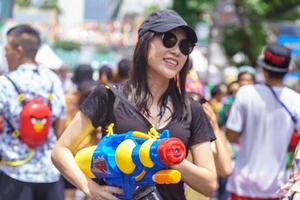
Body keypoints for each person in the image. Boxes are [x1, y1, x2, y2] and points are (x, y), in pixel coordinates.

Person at [51, 9, 217, 200]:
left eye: (185, 46)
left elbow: (209, 185)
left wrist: (167, 154)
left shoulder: (192, 108)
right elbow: (60, 151)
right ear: (144, 42)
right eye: (168, 40)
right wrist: (89, 188)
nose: (176, 51)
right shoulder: (109, 96)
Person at [226, 43, 300, 199]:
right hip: (276, 185)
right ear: (288, 70)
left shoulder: (245, 93)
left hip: (242, 184)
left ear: (263, 68)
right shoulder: (296, 100)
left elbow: (231, 136)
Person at [0, 24, 66, 199]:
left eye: (7, 49)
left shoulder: (5, 83)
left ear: (18, 51)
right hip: (50, 173)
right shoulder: (53, 80)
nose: (5, 54)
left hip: (13, 172)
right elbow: (61, 129)